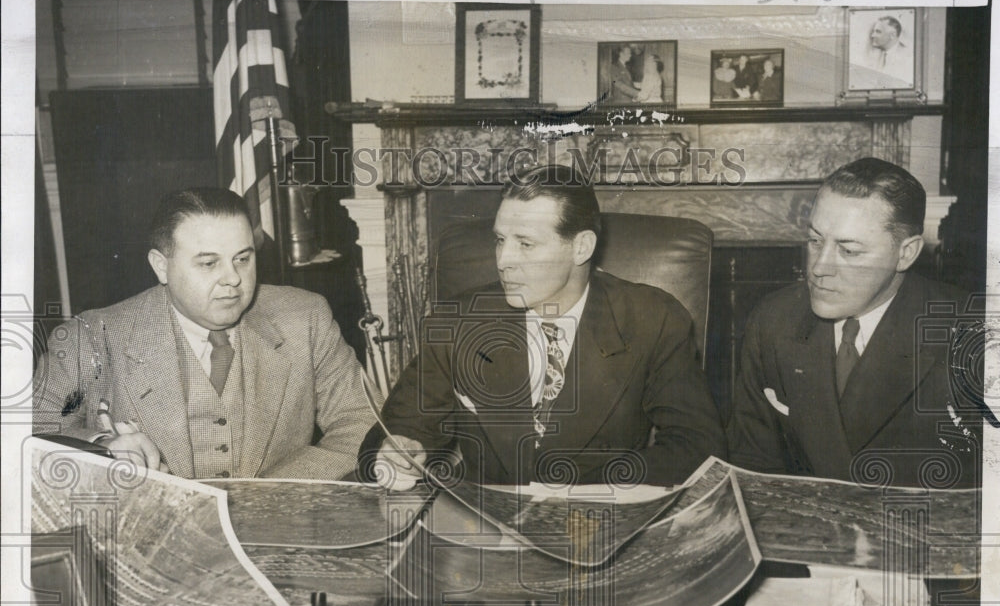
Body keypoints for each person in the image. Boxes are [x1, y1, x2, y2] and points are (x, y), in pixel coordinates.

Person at [362, 164, 726, 489]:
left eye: (526, 244)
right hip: (487, 525)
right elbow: (396, 430)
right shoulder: (459, 321)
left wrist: (584, 489)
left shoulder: (653, 319)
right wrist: (396, 452)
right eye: (500, 240)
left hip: (601, 520)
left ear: (581, 247)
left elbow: (699, 449)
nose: (503, 261)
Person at [33, 187, 372, 480]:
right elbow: (28, 431)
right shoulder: (93, 337)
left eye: (242, 259)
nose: (233, 278)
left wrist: (275, 493)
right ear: (161, 266)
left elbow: (362, 421)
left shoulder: (305, 318)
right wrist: (102, 447)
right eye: (209, 263)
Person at [727, 158, 983, 489]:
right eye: (815, 241)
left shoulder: (973, 336)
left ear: (906, 253)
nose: (819, 268)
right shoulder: (773, 320)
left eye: (848, 251)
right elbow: (751, 468)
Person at [864, 15, 912, 85]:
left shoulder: (908, 58)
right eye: (873, 31)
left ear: (892, 35)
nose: (872, 35)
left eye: (878, 32)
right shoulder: (875, 55)